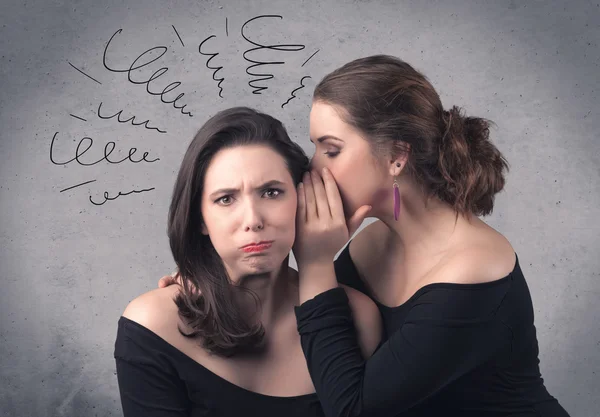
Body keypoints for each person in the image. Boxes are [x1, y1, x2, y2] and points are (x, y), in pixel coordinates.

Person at [158, 55, 571, 417]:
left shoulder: (473, 269)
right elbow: (311, 320)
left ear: (397, 156)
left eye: (331, 149)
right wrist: (213, 283)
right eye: (315, 147)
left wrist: (317, 261)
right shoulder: (373, 243)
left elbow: (350, 406)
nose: (312, 166)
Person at [115, 107, 382, 417]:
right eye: (226, 199)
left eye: (271, 192)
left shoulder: (359, 319)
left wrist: (317, 263)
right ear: (200, 218)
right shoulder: (156, 324)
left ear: (302, 199)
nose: (253, 220)